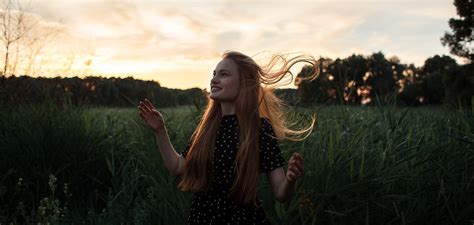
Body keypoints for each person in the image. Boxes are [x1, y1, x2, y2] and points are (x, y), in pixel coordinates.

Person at [138, 51, 318, 225]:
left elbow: (281, 193)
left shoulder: (259, 128)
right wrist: (160, 131)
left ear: (244, 83)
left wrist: (291, 179)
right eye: (214, 74)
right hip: (202, 219)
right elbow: (178, 167)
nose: (214, 80)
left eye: (223, 74)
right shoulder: (207, 129)